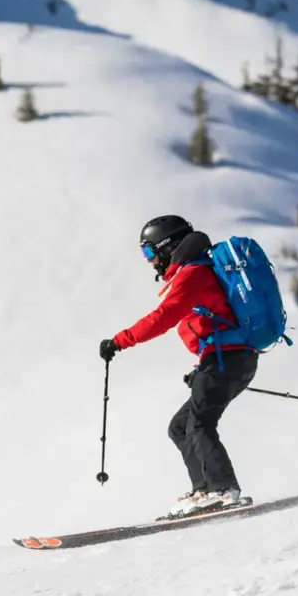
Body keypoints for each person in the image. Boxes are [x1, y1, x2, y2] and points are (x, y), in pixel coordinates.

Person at [99, 215, 257, 519]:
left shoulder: (193, 274)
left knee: (199, 423)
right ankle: (204, 490)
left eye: (149, 252)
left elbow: (163, 318)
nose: (149, 261)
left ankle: (223, 490)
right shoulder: (193, 272)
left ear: (166, 247)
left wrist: (119, 341)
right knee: (180, 427)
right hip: (224, 358)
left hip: (228, 358)